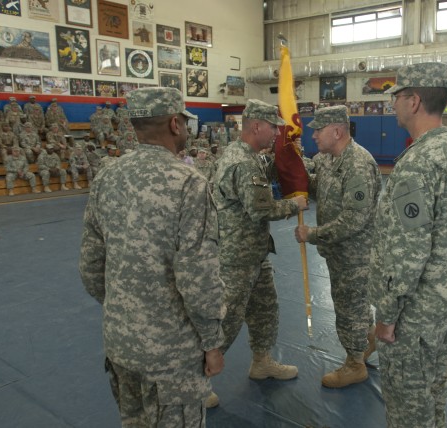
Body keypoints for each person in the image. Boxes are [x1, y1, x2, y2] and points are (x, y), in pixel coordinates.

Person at [79, 87, 225, 426]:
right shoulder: (188, 183)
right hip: (170, 356)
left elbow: (90, 267)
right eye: (185, 124)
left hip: (120, 344)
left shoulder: (107, 176)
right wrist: (213, 342)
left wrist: (126, 309)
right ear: (175, 124)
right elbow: (198, 278)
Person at [369, 62, 447, 428]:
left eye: (397, 97)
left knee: (408, 409)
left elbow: (409, 251)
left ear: (414, 100)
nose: (393, 105)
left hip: (414, 316)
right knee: (434, 399)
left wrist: (387, 315)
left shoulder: (417, 162)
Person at [210, 99, 308, 405]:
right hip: (236, 258)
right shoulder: (242, 162)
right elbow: (259, 209)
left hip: (254, 254)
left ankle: (262, 361)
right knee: (226, 320)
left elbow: (267, 172)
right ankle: (194, 382)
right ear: (256, 126)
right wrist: (296, 205)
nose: (277, 134)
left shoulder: (248, 156)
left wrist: (290, 162)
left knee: (265, 309)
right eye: (273, 128)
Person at [294, 105, 381, 388]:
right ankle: (367, 341)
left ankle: (355, 364)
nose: (315, 135)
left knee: (349, 307)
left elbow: (354, 220)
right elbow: (310, 174)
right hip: (337, 252)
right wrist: (289, 154)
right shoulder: (328, 159)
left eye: (318, 130)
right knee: (354, 305)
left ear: (337, 131)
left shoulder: (358, 164)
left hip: (355, 254)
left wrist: (313, 234)